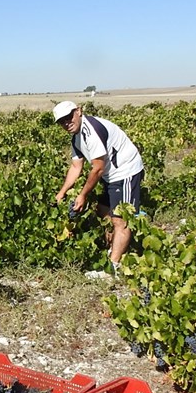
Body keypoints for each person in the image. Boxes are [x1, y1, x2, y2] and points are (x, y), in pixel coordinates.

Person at [52, 101, 145, 271]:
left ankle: (113, 268)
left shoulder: (91, 131)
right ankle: (114, 250)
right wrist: (61, 192)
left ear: (78, 111)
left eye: (69, 117)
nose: (67, 123)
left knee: (121, 221)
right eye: (62, 121)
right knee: (103, 211)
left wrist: (82, 195)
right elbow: (76, 167)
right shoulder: (76, 138)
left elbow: (98, 169)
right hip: (110, 176)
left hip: (125, 172)